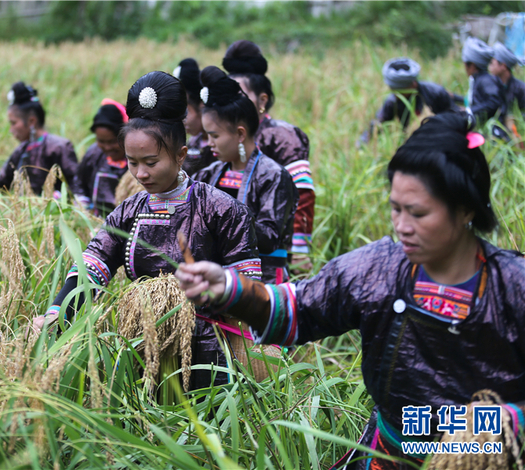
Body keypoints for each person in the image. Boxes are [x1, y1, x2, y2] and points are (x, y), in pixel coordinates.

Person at [176, 112, 525, 469]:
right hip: (387, 456)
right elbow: (300, 307)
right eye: (395, 209)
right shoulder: (377, 269)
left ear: (465, 208)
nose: (402, 226)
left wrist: (492, 427)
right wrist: (232, 290)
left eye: (418, 214)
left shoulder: (514, 286)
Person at [34, 71, 263, 390]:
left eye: (152, 162)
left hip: (210, 354)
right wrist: (59, 309)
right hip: (141, 347)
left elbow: (250, 284)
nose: (140, 173)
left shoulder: (221, 209)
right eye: (132, 162)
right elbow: (93, 264)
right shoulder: (128, 212)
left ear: (180, 155)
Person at [193, 66, 296, 284]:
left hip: (263, 282)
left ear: (240, 133)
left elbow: (269, 238)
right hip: (217, 282)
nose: (209, 143)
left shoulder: (274, 176)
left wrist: (224, 212)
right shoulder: (207, 174)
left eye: (215, 135)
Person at [222, 40, 315, 270]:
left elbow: (302, 194)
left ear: (262, 100)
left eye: (241, 95)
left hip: (273, 250)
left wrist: (300, 252)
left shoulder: (283, 136)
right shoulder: (223, 135)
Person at [0, 82, 78, 197]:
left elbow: (75, 183)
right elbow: (1, 180)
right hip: (28, 212)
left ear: (31, 121)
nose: (11, 130)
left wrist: (61, 198)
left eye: (13, 123)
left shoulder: (59, 147)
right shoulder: (22, 150)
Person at [358, 57, 461, 144]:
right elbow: (378, 123)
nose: (396, 94)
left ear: (413, 84)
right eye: (394, 90)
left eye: (400, 91)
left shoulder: (435, 93)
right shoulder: (392, 102)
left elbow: (455, 115)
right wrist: (363, 142)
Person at [73, 99, 129, 216]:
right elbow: (79, 183)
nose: (107, 148)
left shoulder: (136, 159)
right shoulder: (94, 154)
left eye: (113, 141)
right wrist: (83, 208)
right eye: (101, 141)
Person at [172, 58, 217, 175]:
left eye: (186, 112)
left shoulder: (222, 146)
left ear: (202, 107)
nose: (181, 120)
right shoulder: (192, 143)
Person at [462, 37, 504, 126]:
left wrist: (470, 111)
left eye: (465, 64)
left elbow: (494, 102)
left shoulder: (486, 80)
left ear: (472, 66)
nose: (464, 67)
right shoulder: (478, 79)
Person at [489, 42, 525, 122]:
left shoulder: (520, 89)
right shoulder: (492, 85)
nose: (490, 66)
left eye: (492, 63)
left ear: (503, 66)